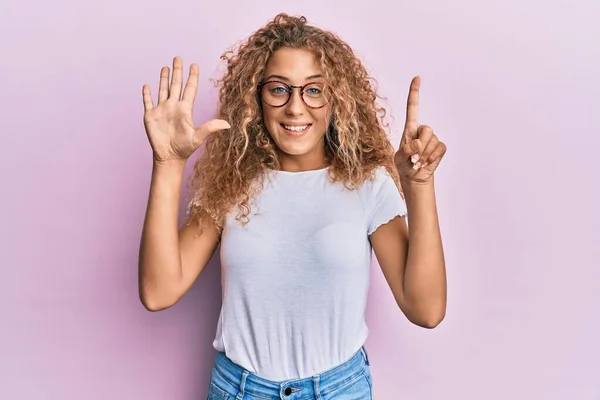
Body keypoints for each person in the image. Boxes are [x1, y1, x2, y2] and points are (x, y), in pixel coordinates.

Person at [138, 13, 447, 400]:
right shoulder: (230, 183)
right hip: (240, 390)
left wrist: (418, 186)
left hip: (339, 390)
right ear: (257, 97)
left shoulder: (368, 184)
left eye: (313, 90)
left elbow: (426, 310)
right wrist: (167, 165)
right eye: (279, 89)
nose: (296, 108)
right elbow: (158, 292)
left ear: (337, 99)